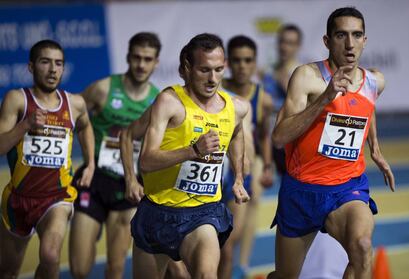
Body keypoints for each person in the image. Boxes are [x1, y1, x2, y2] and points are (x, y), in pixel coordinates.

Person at [269, 7, 395, 279]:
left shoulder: (375, 81)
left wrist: (375, 148)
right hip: (302, 192)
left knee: (361, 247)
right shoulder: (306, 77)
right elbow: (279, 137)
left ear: (365, 40)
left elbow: (367, 106)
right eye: (341, 35)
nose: (350, 44)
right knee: (285, 276)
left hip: (347, 187)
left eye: (356, 35)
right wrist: (325, 98)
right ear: (327, 41)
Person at [121, 33, 250, 278]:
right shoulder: (169, 103)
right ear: (188, 68)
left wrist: (239, 177)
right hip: (158, 211)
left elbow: (236, 133)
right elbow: (146, 161)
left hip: (203, 212)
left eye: (218, 70)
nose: (213, 79)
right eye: (204, 70)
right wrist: (192, 151)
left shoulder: (237, 108)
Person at [69, 32, 161, 279]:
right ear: (128, 57)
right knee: (79, 268)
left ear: (156, 62)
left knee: (116, 268)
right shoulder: (103, 89)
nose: (141, 65)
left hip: (129, 185)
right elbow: (70, 114)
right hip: (95, 179)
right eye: (137, 58)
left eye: (148, 59)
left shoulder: (158, 101)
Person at [0, 40, 94, 279]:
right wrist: (26, 125)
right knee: (8, 271)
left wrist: (91, 162)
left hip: (58, 197)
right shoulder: (17, 100)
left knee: (51, 256)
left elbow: (84, 127)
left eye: (58, 63)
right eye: (45, 62)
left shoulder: (75, 104)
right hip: (19, 199)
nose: (53, 69)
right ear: (31, 67)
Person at [218, 35, 273, 278]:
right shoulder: (214, 89)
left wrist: (268, 166)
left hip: (245, 165)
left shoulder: (263, 99)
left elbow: (263, 135)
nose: (242, 66)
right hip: (215, 166)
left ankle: (241, 262)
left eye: (248, 60)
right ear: (229, 62)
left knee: (232, 237)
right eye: (237, 60)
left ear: (254, 63)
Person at [261, 24, 302, 175]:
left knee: (292, 184)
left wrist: (287, 86)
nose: (284, 47)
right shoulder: (268, 71)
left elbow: (307, 108)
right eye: (282, 42)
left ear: (298, 46)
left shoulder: (303, 72)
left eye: (290, 43)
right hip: (267, 136)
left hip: (291, 139)